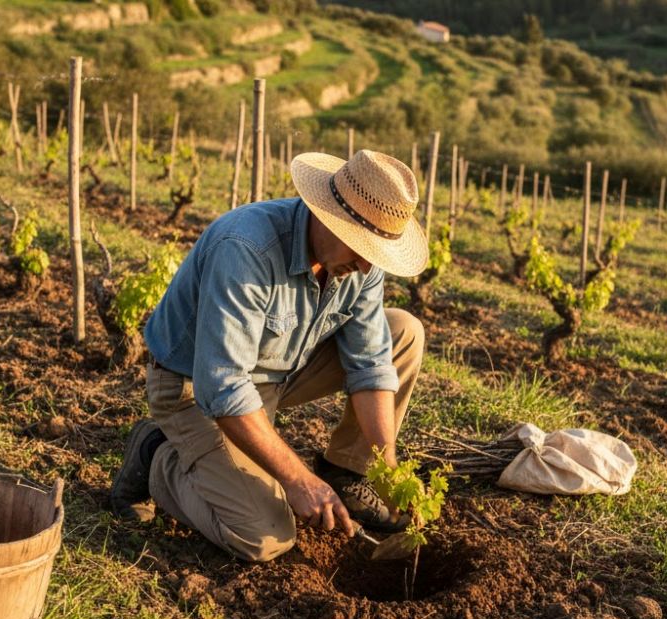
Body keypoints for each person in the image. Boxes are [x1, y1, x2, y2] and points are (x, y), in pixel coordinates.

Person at [109, 149, 429, 562]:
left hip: (276, 373)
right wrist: (298, 479)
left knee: (404, 331)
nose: (368, 266)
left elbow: (370, 363)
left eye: (376, 253)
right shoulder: (246, 248)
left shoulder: (360, 264)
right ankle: (157, 455)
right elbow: (223, 386)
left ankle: (347, 472)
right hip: (194, 388)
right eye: (361, 248)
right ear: (328, 216)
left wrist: (387, 466)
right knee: (266, 537)